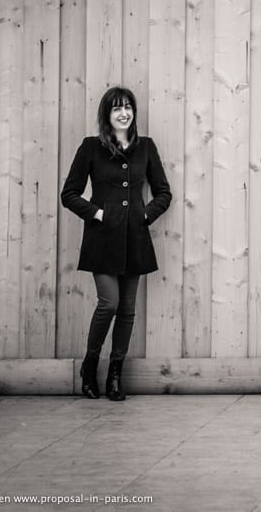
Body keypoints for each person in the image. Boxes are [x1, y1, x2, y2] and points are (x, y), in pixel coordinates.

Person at [61, 87, 171, 401]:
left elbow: (163, 193)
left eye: (128, 108)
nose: (123, 113)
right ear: (107, 115)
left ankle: (114, 375)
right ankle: (90, 364)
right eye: (116, 109)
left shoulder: (146, 148)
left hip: (135, 239)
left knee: (126, 310)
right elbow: (69, 194)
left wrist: (145, 216)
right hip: (102, 239)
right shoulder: (91, 148)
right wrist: (97, 213)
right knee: (108, 303)